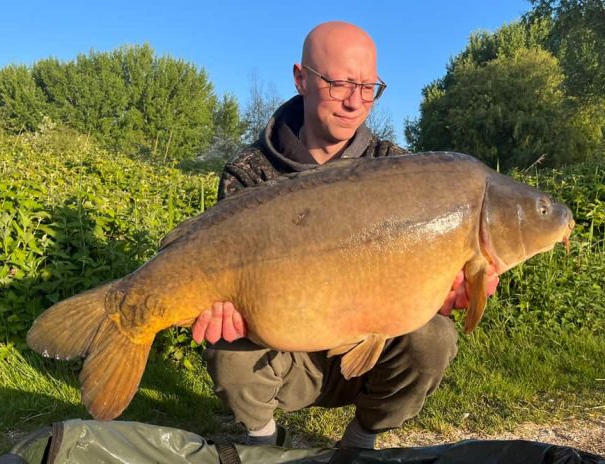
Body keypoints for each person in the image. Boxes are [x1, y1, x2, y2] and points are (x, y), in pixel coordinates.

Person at [191, 21, 499, 449]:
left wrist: (453, 284)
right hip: (283, 352)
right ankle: (264, 442)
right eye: (339, 83)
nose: (355, 102)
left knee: (433, 338)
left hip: (370, 354)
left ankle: (359, 444)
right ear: (301, 78)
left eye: (368, 86)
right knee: (227, 347)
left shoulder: (395, 167)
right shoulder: (251, 172)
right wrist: (221, 307)